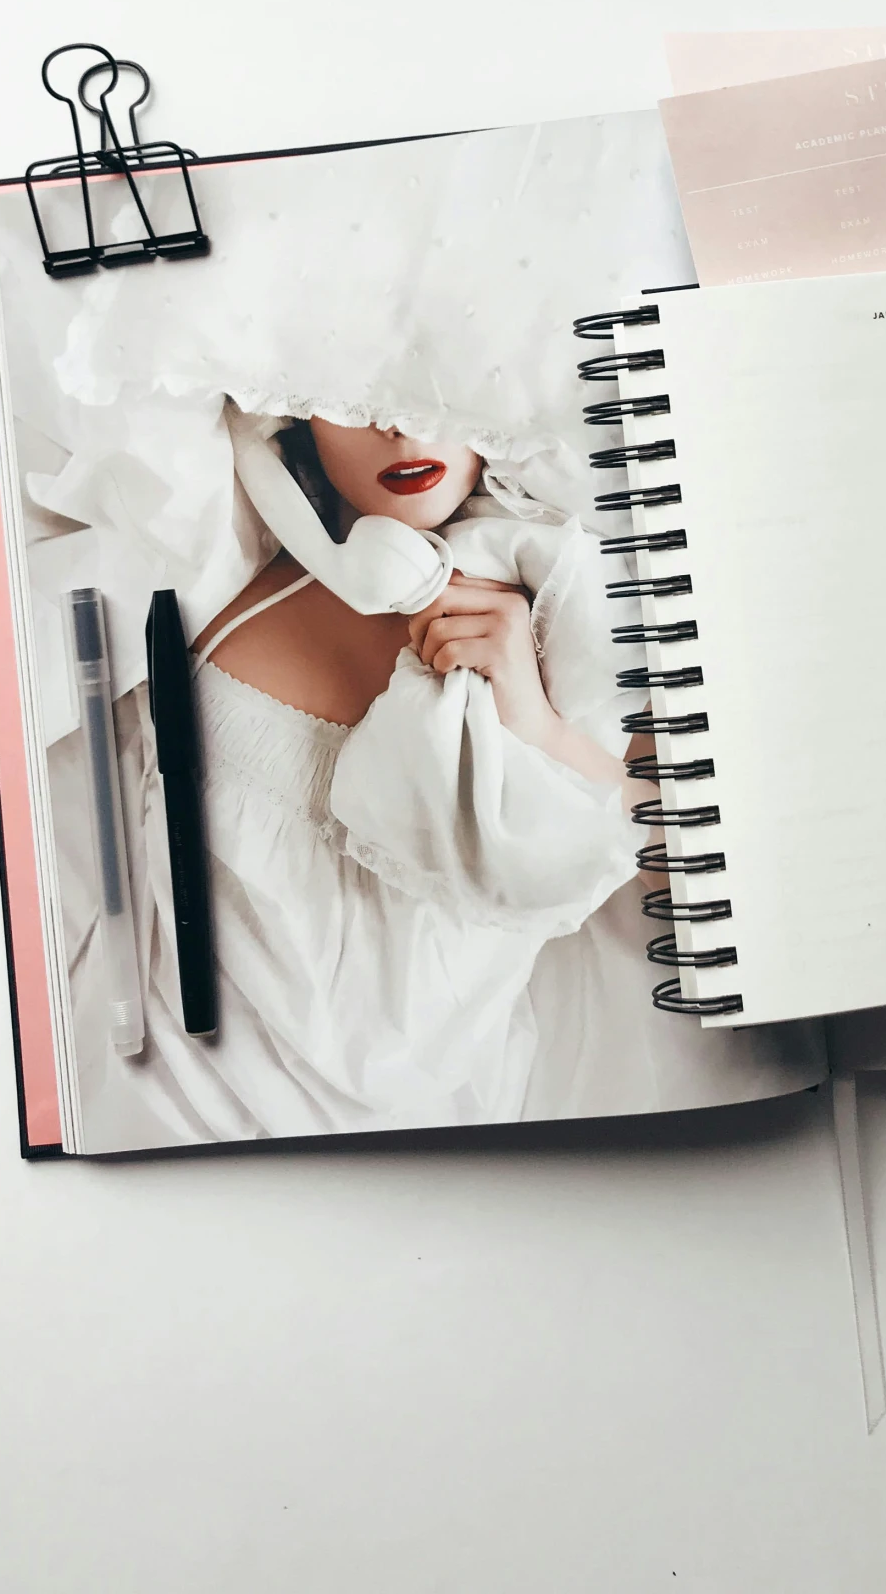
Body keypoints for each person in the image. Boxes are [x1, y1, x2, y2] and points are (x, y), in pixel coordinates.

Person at [121, 416, 641, 1141]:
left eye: (429, 394)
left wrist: (531, 715)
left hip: (438, 1159)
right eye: (356, 398)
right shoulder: (202, 590)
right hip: (169, 1110)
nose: (401, 428)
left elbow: (651, 848)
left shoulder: (559, 600)